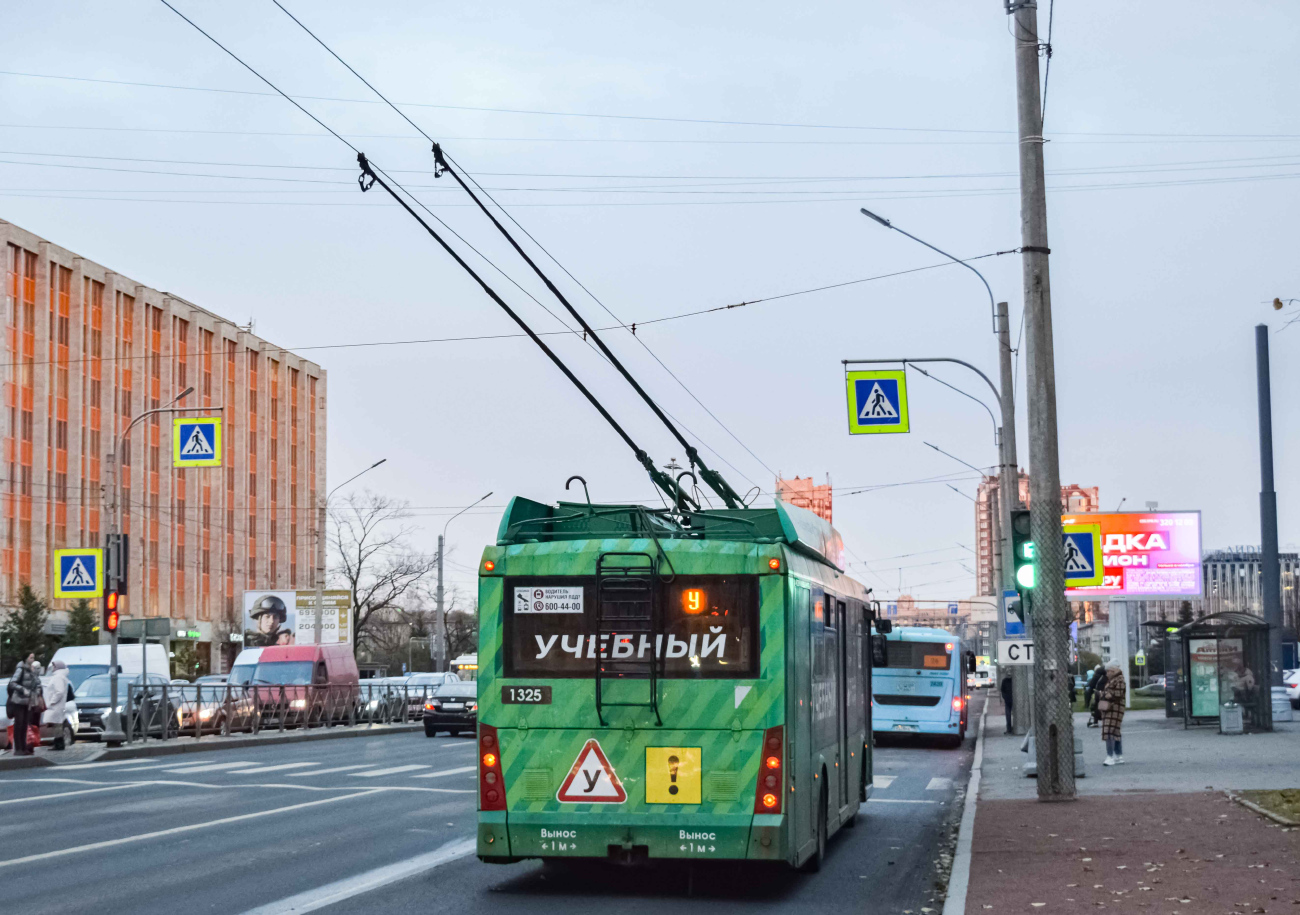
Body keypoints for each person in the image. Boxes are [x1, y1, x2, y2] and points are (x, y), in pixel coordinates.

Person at [7, 652, 42, 756]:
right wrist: (23, 690)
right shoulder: (21, 669)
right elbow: (12, 683)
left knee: (25, 724)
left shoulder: (31, 670)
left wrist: (37, 691)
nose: (32, 659)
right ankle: (18, 748)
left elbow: (37, 682)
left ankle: (24, 747)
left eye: (33, 658)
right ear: (26, 658)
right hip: (19, 700)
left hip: (28, 701)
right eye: (31, 657)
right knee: (19, 724)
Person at [1099, 661, 1127, 765]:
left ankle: (1110, 756)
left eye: (1108, 671)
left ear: (1113, 670)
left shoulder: (1119, 680)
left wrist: (1104, 694)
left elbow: (1117, 694)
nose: (1107, 674)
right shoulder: (1116, 679)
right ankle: (1118, 755)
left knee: (1108, 731)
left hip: (1114, 708)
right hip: (1114, 708)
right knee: (1115, 731)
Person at [41, 660, 72, 750]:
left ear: (57, 667)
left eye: (54, 666)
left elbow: (59, 691)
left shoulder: (58, 677)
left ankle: (59, 743)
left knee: (57, 724)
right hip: (57, 705)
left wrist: (52, 701)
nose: (52, 668)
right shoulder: (59, 676)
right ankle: (58, 742)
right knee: (57, 724)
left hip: (56, 705)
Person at [999, 669, 1014, 734]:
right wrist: (1004, 697)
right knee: (1008, 715)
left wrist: (1004, 697)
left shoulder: (1010, 680)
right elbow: (1002, 690)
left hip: (1010, 699)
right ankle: (1009, 728)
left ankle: (1011, 728)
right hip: (1008, 700)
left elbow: (1002, 690)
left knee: (1009, 714)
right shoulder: (1005, 681)